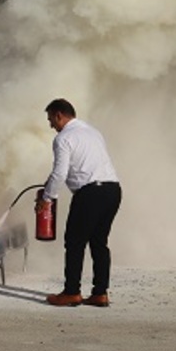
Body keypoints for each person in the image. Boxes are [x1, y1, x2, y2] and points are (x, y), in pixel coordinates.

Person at [39, 99, 122, 307]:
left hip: (90, 193)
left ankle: (71, 292)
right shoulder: (93, 132)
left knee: (75, 242)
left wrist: (46, 198)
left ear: (59, 115)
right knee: (99, 243)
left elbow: (60, 173)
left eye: (51, 120)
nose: (51, 125)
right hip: (113, 190)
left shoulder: (64, 138)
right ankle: (100, 293)